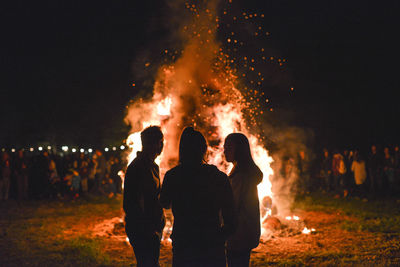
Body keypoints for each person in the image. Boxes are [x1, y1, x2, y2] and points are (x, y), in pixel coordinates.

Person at [160, 127, 235, 267]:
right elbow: (231, 219)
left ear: (182, 149)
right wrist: (219, 237)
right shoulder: (218, 177)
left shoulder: (173, 176)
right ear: (203, 149)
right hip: (211, 245)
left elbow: (164, 202)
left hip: (184, 243)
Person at [123, 126, 165, 267]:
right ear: (155, 144)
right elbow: (132, 203)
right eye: (160, 142)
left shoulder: (152, 166)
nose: (162, 146)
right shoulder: (138, 167)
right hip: (144, 230)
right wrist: (148, 229)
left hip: (151, 228)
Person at [223, 133, 263, 267]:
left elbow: (232, 205)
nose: (225, 151)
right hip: (245, 232)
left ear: (240, 150)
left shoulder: (241, 176)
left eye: (229, 147)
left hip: (238, 234)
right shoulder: (243, 171)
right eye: (224, 147)